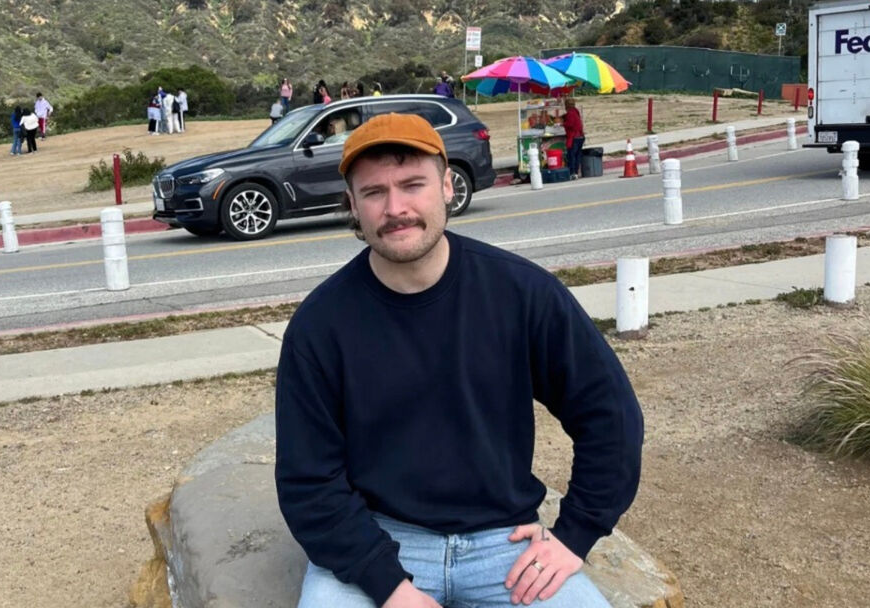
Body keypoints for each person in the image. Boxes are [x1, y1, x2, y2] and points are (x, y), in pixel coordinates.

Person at [275, 113, 643, 608]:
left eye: (413, 185)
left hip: (504, 543)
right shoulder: (320, 325)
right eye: (374, 192)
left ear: (448, 186)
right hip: (375, 540)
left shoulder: (522, 293)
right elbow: (307, 481)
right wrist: (387, 585)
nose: (396, 208)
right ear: (353, 205)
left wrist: (575, 534)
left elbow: (610, 416)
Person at [559, 98, 585, 180]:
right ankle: (576, 172)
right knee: (577, 155)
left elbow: (570, 124)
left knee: (572, 155)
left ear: (566, 106)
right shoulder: (576, 111)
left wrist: (562, 124)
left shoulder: (570, 113)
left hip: (574, 137)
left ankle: (572, 173)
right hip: (580, 136)